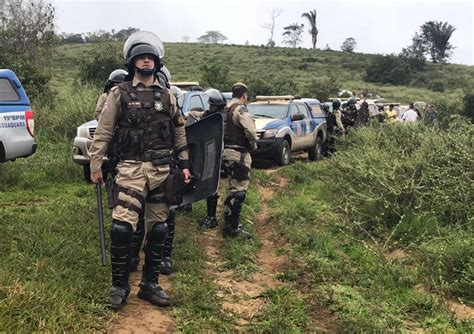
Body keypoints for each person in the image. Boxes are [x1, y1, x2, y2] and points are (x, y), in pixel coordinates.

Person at [89, 32, 191, 310]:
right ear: (133, 62)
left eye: (151, 57)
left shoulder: (167, 96)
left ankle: (149, 285)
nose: (146, 61)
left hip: (161, 170)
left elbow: (179, 131)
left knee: (159, 228)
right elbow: (104, 131)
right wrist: (95, 164)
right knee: (122, 228)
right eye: (141, 57)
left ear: (156, 62)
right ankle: (120, 287)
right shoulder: (118, 93)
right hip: (131, 168)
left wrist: (184, 164)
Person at [221, 82, 257, 238]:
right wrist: (253, 144)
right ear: (244, 96)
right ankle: (233, 228)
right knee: (239, 191)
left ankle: (229, 221)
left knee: (232, 188)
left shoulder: (225, 109)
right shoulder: (240, 110)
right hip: (239, 153)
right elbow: (251, 131)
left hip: (225, 153)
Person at [188, 88, 227, 229]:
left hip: (218, 154)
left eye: (213, 106)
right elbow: (198, 116)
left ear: (220, 106)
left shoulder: (223, 119)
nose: (210, 108)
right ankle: (188, 205)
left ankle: (212, 217)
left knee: (212, 184)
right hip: (207, 153)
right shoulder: (209, 115)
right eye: (210, 105)